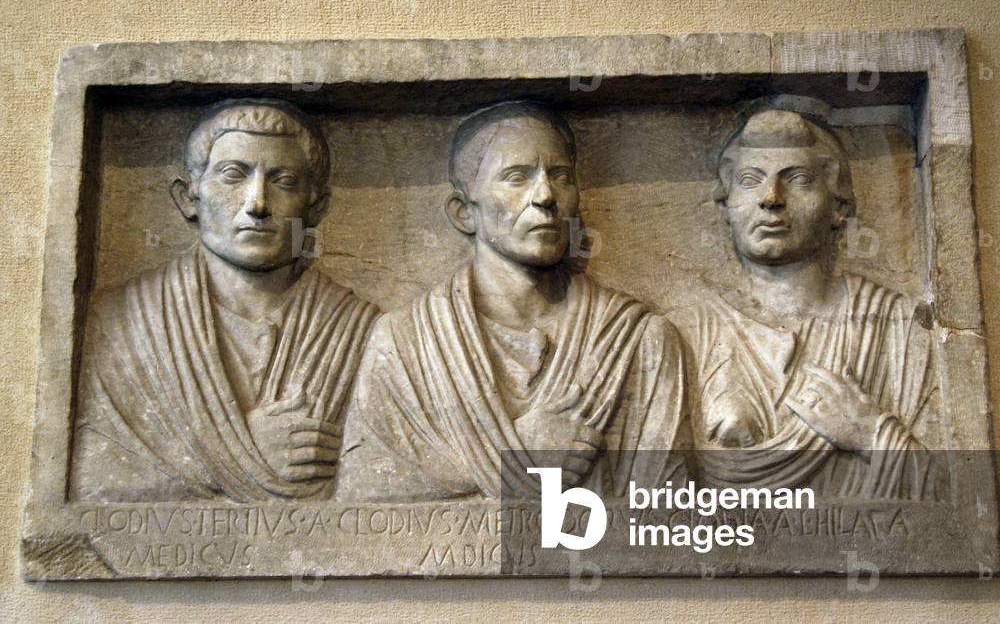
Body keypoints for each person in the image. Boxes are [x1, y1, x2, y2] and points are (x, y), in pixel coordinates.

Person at [334, 101, 690, 501]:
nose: (545, 197)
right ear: (464, 212)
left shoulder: (640, 342)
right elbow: (366, 511)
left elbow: (667, 524)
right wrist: (516, 458)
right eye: (516, 177)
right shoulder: (405, 345)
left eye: (560, 176)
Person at [70, 99, 379, 502]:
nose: (257, 204)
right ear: (188, 197)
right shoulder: (120, 323)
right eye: (233, 175)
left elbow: (384, 476)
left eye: (283, 180)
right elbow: (88, 479)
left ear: (317, 205)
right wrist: (242, 455)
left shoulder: (362, 330)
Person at [684, 102, 942, 499]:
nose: (771, 198)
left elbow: (963, 502)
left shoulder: (898, 327)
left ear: (838, 205)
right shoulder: (685, 333)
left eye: (799, 179)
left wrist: (870, 434)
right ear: (725, 204)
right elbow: (646, 499)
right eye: (751, 180)